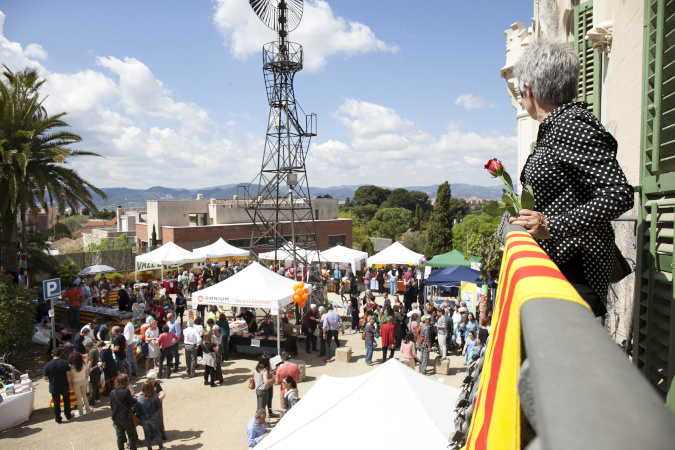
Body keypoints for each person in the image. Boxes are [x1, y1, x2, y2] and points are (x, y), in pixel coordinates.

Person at [510, 39, 634, 317]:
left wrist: (552, 225)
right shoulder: (554, 127)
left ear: (529, 89)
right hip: (561, 268)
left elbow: (619, 194)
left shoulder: (570, 124)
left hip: (576, 272)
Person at [43, 348, 72, 423]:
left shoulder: (48, 365)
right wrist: (70, 384)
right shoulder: (65, 362)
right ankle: (68, 415)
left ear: (52, 355)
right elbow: (68, 374)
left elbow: (45, 377)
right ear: (61, 354)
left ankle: (58, 418)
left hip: (54, 386)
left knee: (56, 403)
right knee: (66, 400)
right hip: (64, 385)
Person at [110, 374, 138, 450]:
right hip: (126, 417)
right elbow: (132, 403)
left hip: (116, 417)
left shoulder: (113, 392)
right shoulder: (126, 391)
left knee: (120, 437)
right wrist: (134, 399)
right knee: (131, 435)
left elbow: (112, 406)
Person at [136, 380, 166, 450]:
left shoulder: (139, 399)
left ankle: (149, 448)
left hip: (144, 418)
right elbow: (159, 406)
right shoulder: (155, 396)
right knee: (157, 432)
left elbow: (137, 411)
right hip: (153, 416)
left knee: (147, 434)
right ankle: (161, 447)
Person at [68, 351, 90, 417]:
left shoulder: (71, 368)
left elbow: (70, 377)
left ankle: (81, 412)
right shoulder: (84, 364)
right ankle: (88, 409)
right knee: (84, 395)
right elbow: (87, 374)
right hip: (83, 381)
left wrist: (70, 384)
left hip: (75, 383)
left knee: (79, 397)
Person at [84, 338, 101, 407]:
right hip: (96, 369)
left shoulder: (91, 351)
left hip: (92, 370)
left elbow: (90, 362)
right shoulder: (95, 349)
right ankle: (97, 398)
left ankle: (92, 402)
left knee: (92, 387)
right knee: (95, 385)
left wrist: (87, 371)